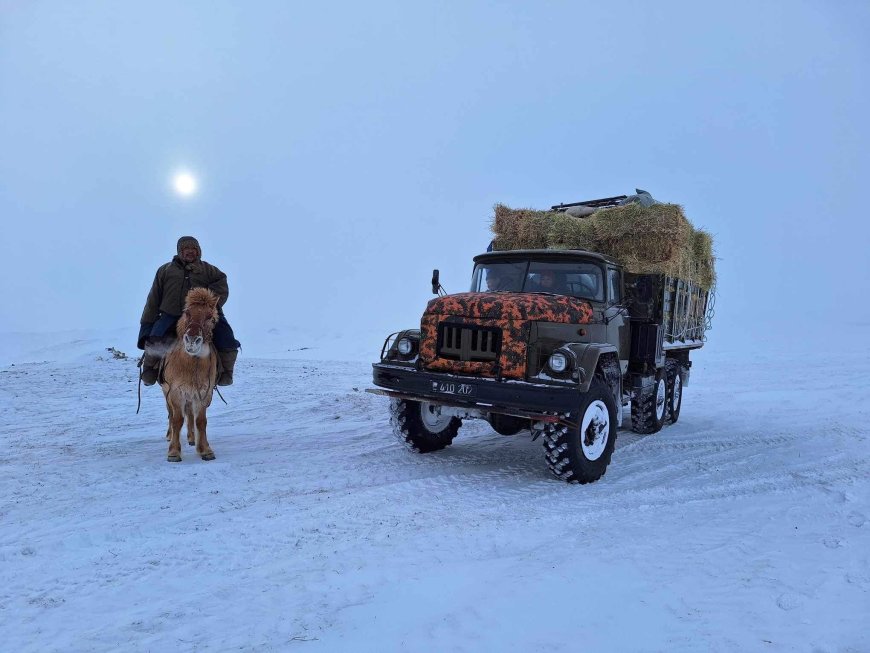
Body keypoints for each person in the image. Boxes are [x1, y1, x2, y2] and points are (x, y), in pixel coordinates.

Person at [138, 236, 240, 386]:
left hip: (203, 316)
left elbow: (222, 285)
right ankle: (149, 371)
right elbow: (154, 298)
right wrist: (147, 324)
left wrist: (207, 300)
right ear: (180, 251)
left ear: (198, 251)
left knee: (227, 338)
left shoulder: (209, 270)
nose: (190, 252)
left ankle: (226, 372)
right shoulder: (165, 270)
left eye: (193, 249)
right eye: (186, 249)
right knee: (155, 338)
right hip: (171, 314)